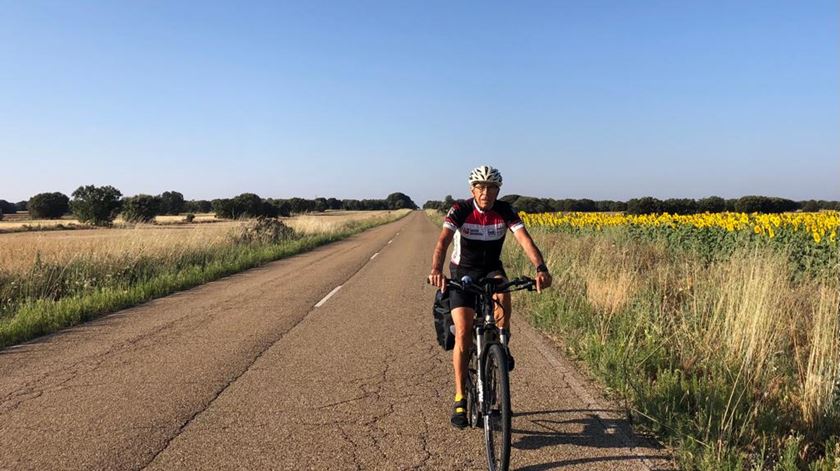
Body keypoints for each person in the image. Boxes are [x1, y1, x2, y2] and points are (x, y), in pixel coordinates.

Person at [428, 165, 552, 429]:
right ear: (472, 189)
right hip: (462, 272)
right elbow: (443, 241)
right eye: (481, 187)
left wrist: (540, 268)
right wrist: (437, 270)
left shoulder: (505, 210)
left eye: (492, 188)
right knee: (463, 332)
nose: (486, 193)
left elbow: (524, 239)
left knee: (503, 292)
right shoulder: (460, 209)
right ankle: (460, 397)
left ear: (498, 190)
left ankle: (502, 345)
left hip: (491, 269)